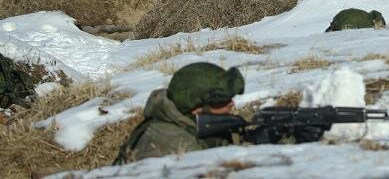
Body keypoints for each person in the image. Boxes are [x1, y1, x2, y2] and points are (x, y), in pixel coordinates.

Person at [114, 62, 325, 164]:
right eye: (221, 101)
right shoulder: (167, 141)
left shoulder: (189, 124)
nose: (231, 104)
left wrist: (273, 142)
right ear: (196, 107)